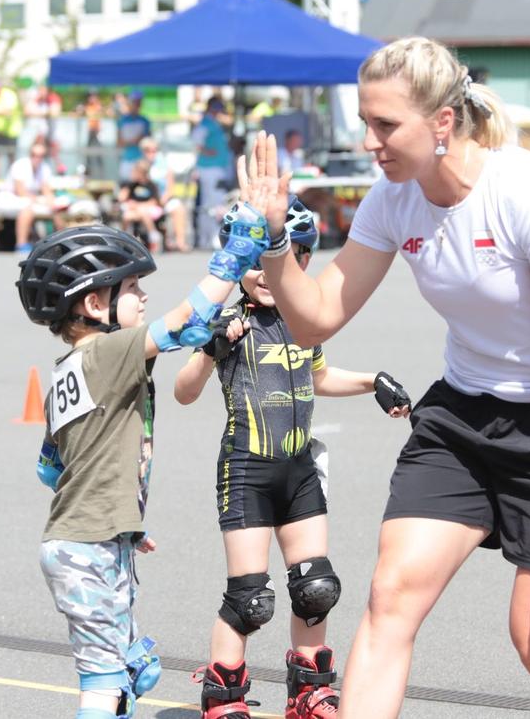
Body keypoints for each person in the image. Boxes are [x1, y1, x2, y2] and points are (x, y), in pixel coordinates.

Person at [239, 37, 530, 719]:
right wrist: (274, 244)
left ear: (443, 123)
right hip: (461, 415)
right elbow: (315, 320)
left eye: (386, 125)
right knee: (391, 596)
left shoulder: (526, 190)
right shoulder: (393, 201)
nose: (371, 142)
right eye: (366, 122)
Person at [15, 203, 275, 719]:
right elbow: (181, 322)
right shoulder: (105, 353)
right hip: (88, 546)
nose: (143, 295)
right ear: (93, 302)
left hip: (93, 538)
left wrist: (122, 520)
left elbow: (52, 467)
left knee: (131, 669)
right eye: (132, 288)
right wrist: (234, 255)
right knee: (104, 677)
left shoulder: (68, 370)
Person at [173, 197, 411, 719]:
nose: (268, 273)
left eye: (291, 259)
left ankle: (308, 693)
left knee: (315, 587)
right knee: (249, 599)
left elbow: (320, 378)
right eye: (254, 263)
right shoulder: (227, 320)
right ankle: (224, 698)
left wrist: (374, 380)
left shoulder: (304, 323)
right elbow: (183, 391)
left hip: (300, 471)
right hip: (247, 471)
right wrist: (210, 348)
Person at [0, 140, 63, 254]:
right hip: (9, 199)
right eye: (34, 155)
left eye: (41, 156)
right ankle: (21, 245)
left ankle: (62, 242)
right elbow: (20, 191)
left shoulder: (44, 168)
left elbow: (46, 190)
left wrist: (52, 203)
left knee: (56, 210)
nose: (37, 158)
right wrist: (40, 200)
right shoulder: (20, 165)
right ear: (30, 154)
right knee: (27, 209)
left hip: (30, 200)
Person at [193, 96, 234, 249]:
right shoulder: (205, 123)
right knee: (212, 203)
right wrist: (208, 152)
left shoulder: (214, 124)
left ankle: (210, 237)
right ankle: (210, 238)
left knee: (215, 202)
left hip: (217, 167)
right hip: (210, 168)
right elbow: (196, 142)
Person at [142, 136, 192, 252]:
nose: (151, 153)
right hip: (147, 201)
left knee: (178, 208)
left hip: (163, 200)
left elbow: (170, 188)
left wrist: (162, 201)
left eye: (154, 150)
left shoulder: (163, 165)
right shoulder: (140, 166)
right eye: (148, 150)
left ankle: (180, 242)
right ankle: (152, 242)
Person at [119, 156, 165, 252]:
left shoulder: (151, 185)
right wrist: (128, 186)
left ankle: (153, 237)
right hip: (135, 210)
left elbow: (154, 201)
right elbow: (122, 198)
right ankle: (122, 238)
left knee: (143, 212)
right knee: (126, 216)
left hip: (149, 209)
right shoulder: (131, 185)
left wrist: (139, 205)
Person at [116, 91, 152, 183]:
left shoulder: (145, 121)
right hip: (127, 160)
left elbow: (147, 141)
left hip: (140, 161)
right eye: (135, 102)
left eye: (138, 102)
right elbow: (120, 142)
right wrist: (134, 141)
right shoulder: (123, 121)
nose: (137, 105)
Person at [80, 92, 105, 175]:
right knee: (88, 152)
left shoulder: (98, 106)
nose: (91, 99)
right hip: (90, 131)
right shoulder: (87, 107)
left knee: (98, 151)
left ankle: (101, 170)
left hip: (97, 132)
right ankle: (88, 170)